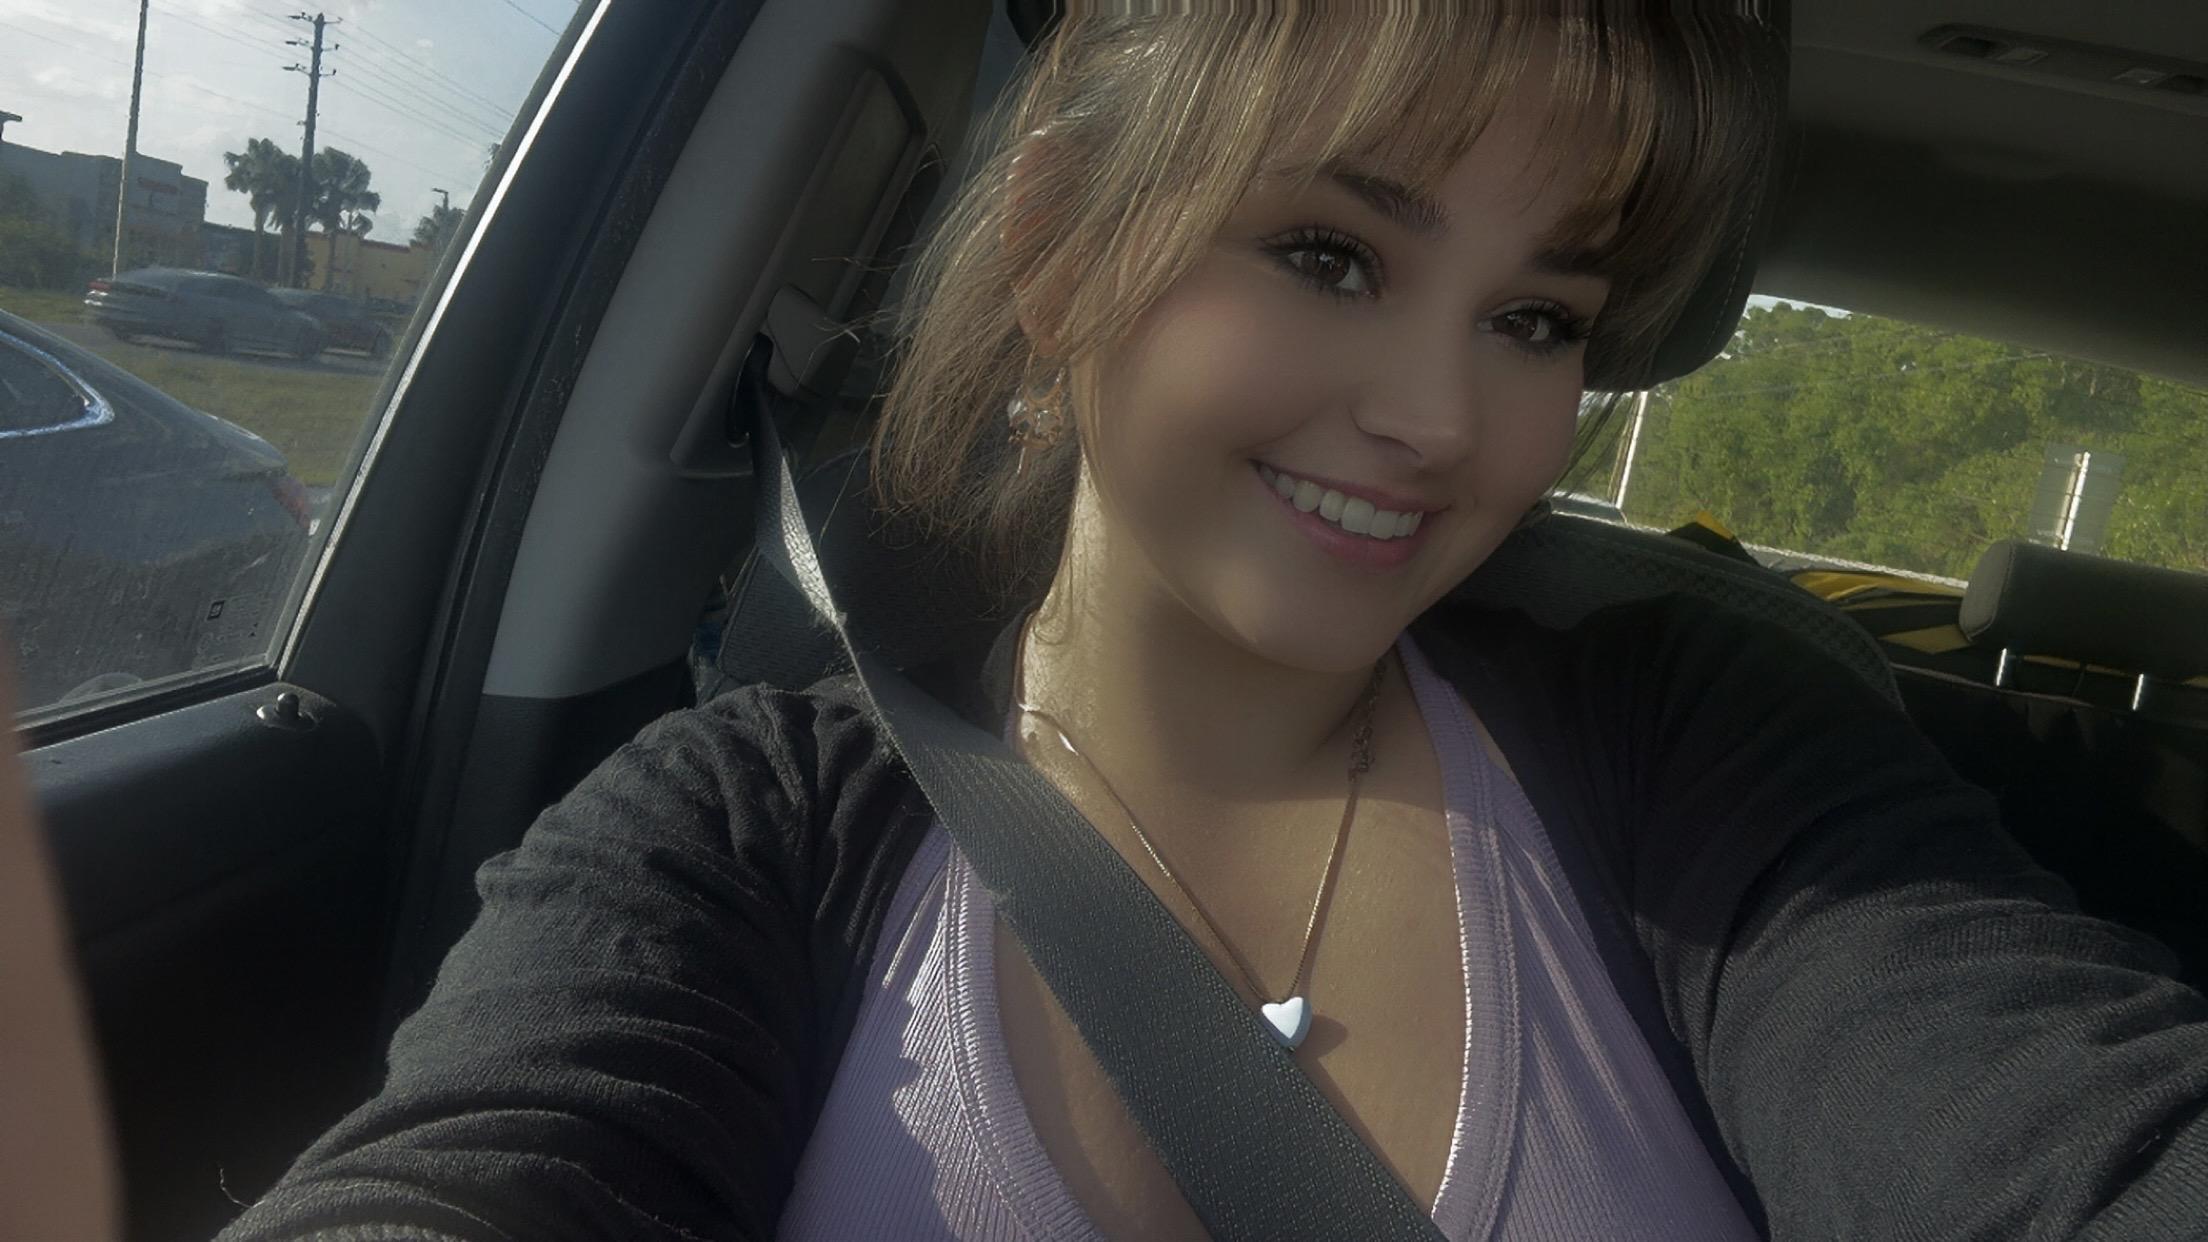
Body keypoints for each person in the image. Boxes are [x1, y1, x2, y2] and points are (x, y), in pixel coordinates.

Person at [221, 6, 2208, 1240]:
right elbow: (486, 1165)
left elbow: (2068, 1124)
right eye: (1331, 253)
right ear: (1058, 246)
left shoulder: (1705, 748)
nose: (1442, 419)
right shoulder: (739, 828)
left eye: (1537, 317)